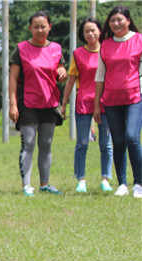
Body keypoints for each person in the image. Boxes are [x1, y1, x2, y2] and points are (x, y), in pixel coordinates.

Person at [9, 10, 67, 196]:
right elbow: (13, 78)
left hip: (50, 104)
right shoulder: (21, 49)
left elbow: (60, 69)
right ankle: (27, 186)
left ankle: (44, 184)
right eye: (36, 27)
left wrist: (63, 72)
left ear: (50, 27)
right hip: (28, 105)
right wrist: (12, 104)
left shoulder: (56, 49)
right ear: (30, 28)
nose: (40, 30)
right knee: (28, 144)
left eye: (43, 26)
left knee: (46, 145)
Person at [60, 17, 114, 194]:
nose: (90, 33)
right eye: (86, 31)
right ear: (82, 34)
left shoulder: (108, 50)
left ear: (100, 31)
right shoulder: (77, 54)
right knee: (82, 143)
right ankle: (81, 179)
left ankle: (105, 178)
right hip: (83, 102)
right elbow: (71, 79)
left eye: (93, 30)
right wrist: (64, 102)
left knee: (106, 144)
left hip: (105, 102)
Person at [94, 5, 142, 198]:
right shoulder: (105, 44)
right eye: (112, 20)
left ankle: (138, 183)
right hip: (111, 100)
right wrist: (97, 103)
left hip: (134, 98)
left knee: (132, 137)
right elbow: (100, 75)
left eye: (120, 19)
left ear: (128, 21)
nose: (116, 23)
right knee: (119, 141)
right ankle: (122, 183)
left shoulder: (139, 41)